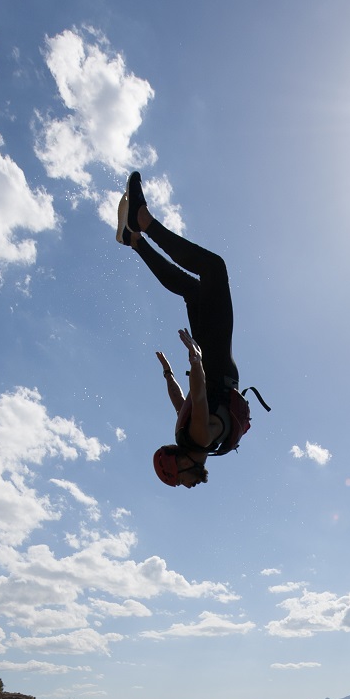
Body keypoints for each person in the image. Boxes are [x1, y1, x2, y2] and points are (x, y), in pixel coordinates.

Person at [116, 172, 241, 489]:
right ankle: (133, 240)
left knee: (214, 269)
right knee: (194, 292)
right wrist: (169, 374)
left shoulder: (197, 439)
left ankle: (143, 222)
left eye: (181, 480)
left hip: (210, 358)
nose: (188, 485)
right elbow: (181, 401)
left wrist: (194, 362)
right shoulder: (188, 436)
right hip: (208, 359)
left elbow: (194, 399)